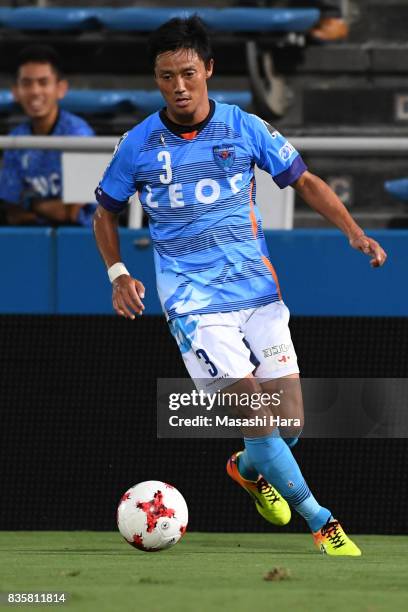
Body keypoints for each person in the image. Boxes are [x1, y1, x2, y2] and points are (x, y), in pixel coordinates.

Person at [93, 16, 386, 556]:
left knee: (288, 424)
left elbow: (306, 180)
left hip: (258, 296)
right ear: (155, 79)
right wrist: (118, 274)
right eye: (165, 77)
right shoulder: (136, 145)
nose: (178, 86)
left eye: (187, 73)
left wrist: (355, 232)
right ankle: (323, 522)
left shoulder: (245, 127)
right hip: (195, 307)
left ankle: (247, 468)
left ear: (207, 68)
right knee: (257, 417)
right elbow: (104, 214)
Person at [0, 45, 96, 227]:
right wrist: (47, 209)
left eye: (43, 82)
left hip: (81, 240)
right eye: (27, 83)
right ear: (15, 91)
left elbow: (72, 213)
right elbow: (13, 213)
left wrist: (29, 203)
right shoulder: (15, 139)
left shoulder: (80, 135)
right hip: (30, 238)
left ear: (61, 88)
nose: (35, 91)